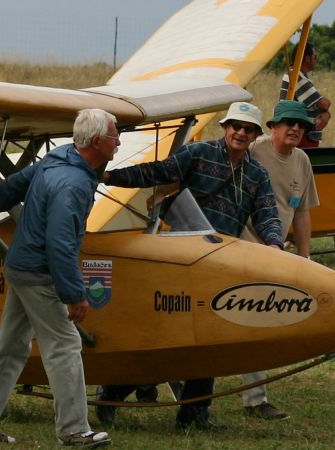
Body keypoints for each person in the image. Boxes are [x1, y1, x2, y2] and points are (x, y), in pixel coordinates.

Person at [96, 101, 285, 430]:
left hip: (219, 263)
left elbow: (267, 212)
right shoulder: (198, 153)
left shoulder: (257, 174)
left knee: (208, 337)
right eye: (235, 126)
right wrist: (110, 175)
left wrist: (274, 245)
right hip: (180, 261)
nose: (240, 132)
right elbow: (157, 172)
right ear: (225, 128)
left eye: (248, 129)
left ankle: (194, 413)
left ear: (255, 135)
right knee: (168, 336)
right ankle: (113, 390)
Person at [0, 109, 117, 448]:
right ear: (97, 142)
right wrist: (74, 294)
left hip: (21, 267)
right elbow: (59, 242)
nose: (119, 140)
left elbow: (14, 185)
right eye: (115, 135)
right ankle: (74, 431)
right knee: (64, 345)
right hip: (39, 274)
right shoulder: (73, 184)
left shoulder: (59, 157)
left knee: (9, 347)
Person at [241, 100, 320, 420]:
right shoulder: (253, 151)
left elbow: (301, 213)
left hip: (277, 254)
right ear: (273, 126)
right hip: (244, 249)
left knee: (266, 324)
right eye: (288, 122)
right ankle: (255, 399)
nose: (296, 129)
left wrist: (304, 259)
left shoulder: (302, 160)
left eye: (301, 125)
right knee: (254, 322)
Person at [279, 43, 331, 148]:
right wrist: (326, 112)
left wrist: (327, 114)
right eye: (315, 56)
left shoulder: (298, 74)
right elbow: (324, 104)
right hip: (299, 135)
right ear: (307, 58)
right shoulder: (295, 75)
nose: (316, 60)